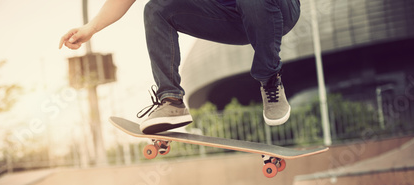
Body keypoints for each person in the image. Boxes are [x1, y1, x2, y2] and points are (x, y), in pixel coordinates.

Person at [59, 0, 301, 134]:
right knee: (157, 9)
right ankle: (171, 101)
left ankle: (270, 79)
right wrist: (90, 28)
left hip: (275, 11)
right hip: (230, 17)